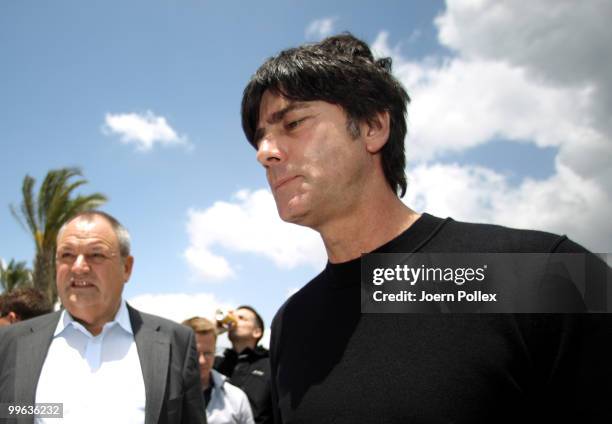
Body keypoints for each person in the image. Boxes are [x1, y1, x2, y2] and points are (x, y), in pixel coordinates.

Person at [240, 33, 612, 422]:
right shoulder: (291, 323)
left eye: (294, 123)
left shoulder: (545, 274)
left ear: (372, 126)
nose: (266, 153)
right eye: (259, 139)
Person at [0, 211, 206, 424]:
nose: (78, 267)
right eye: (67, 255)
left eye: (96, 255)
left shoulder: (175, 342)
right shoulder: (11, 343)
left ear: (126, 268)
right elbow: (9, 412)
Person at [182, 316, 254, 424]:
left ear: (215, 351)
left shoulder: (236, 398)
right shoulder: (162, 395)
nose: (202, 361)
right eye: (194, 354)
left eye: (208, 353)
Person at [214, 306, 272, 424]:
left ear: (257, 332)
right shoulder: (216, 364)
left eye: (241, 318)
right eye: (233, 317)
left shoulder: (270, 365)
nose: (234, 321)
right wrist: (213, 330)